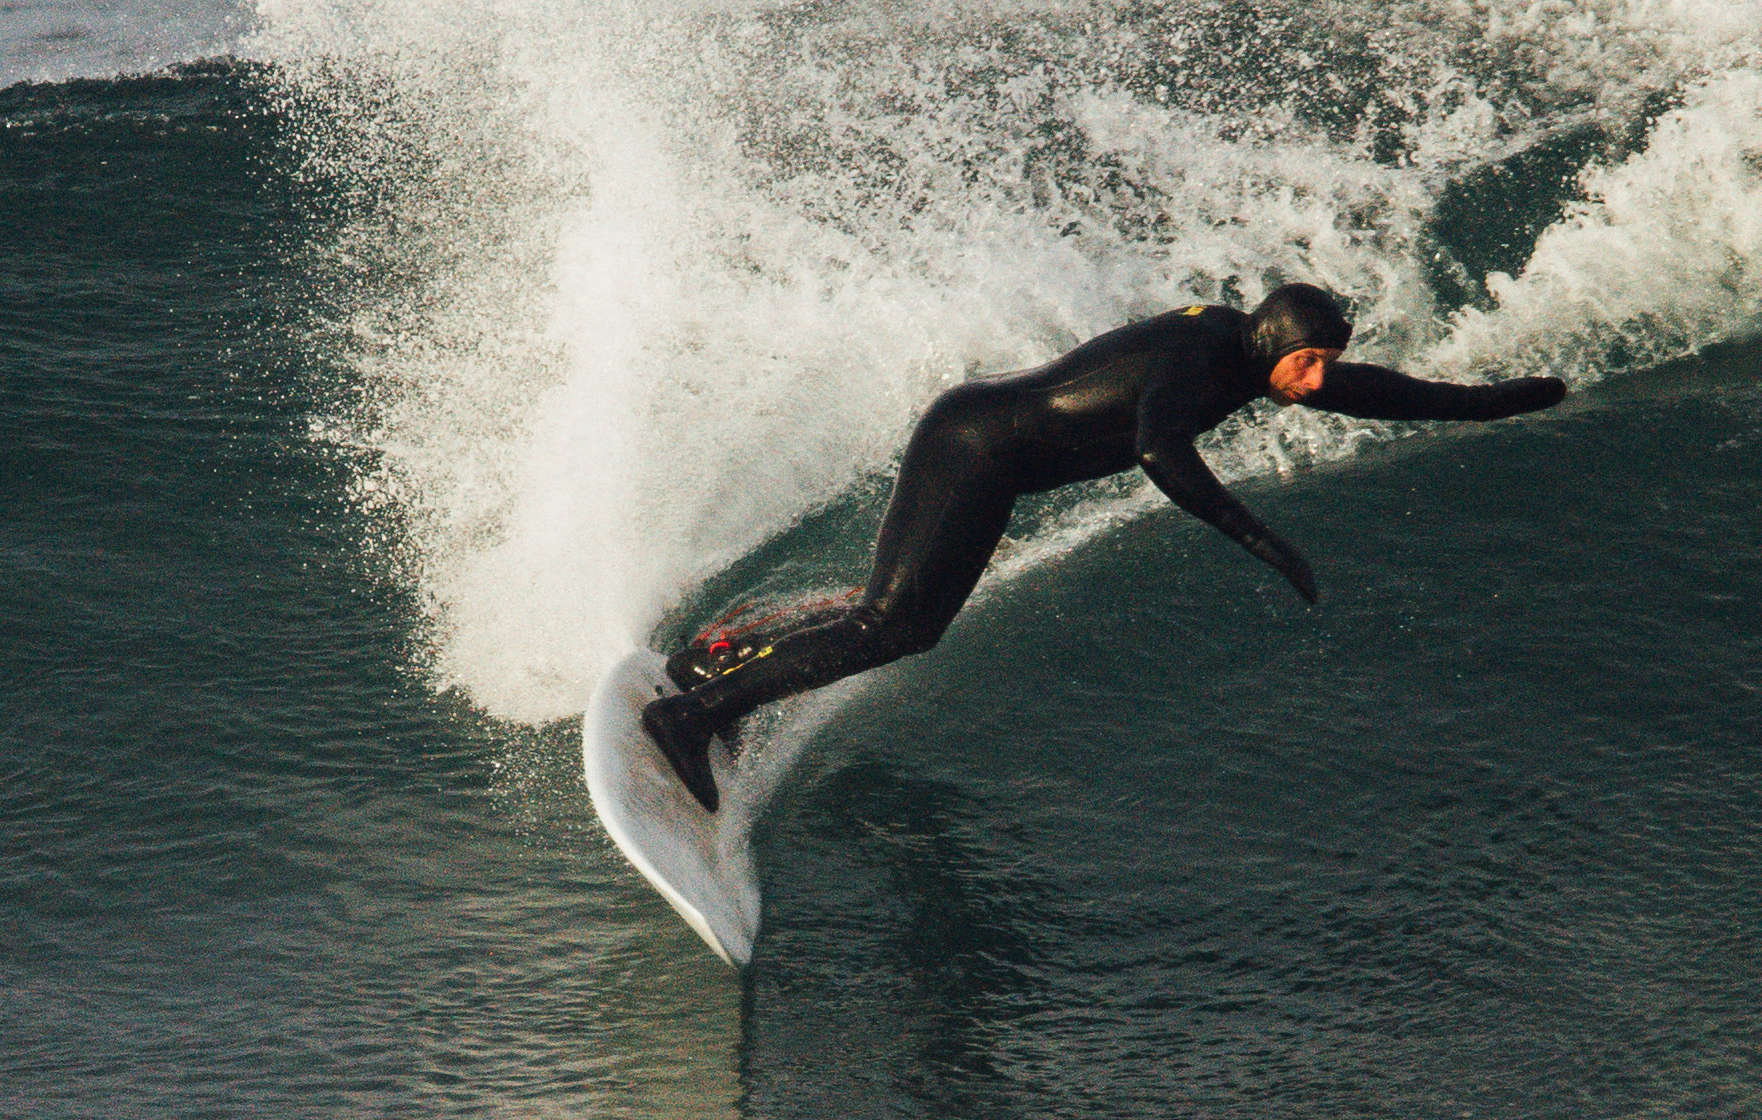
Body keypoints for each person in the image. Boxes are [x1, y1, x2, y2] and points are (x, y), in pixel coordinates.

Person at [638, 280, 1571, 807]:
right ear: (1275, 338)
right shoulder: (1197, 361)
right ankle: (692, 715)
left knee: (896, 615)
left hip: (989, 458)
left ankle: (723, 658)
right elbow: (1158, 448)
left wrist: (1505, 399)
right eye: (1309, 361)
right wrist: (1257, 536)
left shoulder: (1255, 356)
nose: (1318, 377)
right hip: (972, 446)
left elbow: (1397, 393)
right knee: (893, 623)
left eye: (1324, 362)